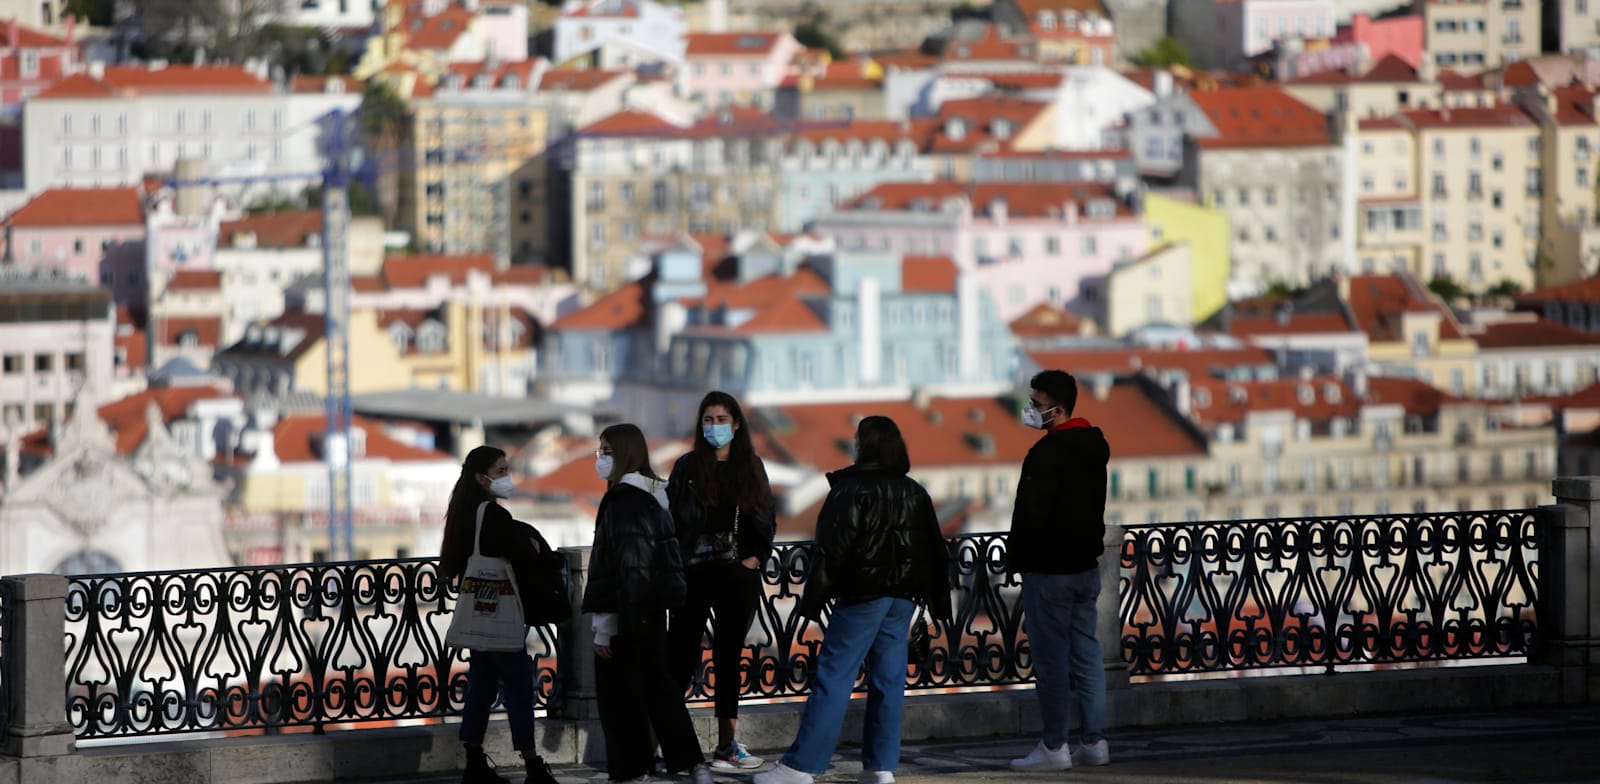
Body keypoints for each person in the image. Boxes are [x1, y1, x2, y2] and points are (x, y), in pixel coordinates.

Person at [755, 415, 952, 784]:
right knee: (889, 681)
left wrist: (815, 600)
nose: (853, 444)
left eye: (857, 439)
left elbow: (833, 549)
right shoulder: (915, 491)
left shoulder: (851, 489)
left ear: (867, 445)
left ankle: (801, 766)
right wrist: (935, 602)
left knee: (834, 675)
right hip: (903, 598)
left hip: (864, 595)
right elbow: (934, 550)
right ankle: (880, 767)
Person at [583, 423, 715, 784]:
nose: (600, 458)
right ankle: (694, 764)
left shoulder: (622, 501)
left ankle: (631, 770)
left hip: (628, 612)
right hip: (654, 611)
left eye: (606, 450)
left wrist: (604, 628)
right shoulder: (659, 496)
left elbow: (619, 567)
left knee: (619, 697)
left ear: (624, 453)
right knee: (661, 691)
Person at [1006, 370, 1112, 772]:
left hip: (1049, 569)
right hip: (1085, 565)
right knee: (1087, 656)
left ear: (1058, 409)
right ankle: (1095, 743)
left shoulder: (1048, 452)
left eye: (1036, 404)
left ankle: (1054, 747)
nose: (1031, 410)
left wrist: (1018, 560)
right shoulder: (1093, 446)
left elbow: (1030, 515)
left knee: (1051, 663)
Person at [666, 391, 777, 770]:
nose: (714, 427)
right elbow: (673, 521)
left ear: (736, 424)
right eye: (708, 420)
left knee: (729, 657)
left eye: (721, 420)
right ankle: (659, 743)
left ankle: (727, 745)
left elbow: (765, 515)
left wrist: (756, 558)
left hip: (736, 575)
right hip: (693, 574)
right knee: (678, 658)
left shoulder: (750, 466)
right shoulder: (687, 467)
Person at [438, 445, 561, 784]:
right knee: (520, 689)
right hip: (501, 619)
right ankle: (533, 764)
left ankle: (474, 762)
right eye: (502, 471)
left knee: (481, 686)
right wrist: (535, 548)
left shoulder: (464, 513)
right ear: (482, 477)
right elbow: (521, 554)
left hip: (478, 618)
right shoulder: (492, 515)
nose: (508, 478)